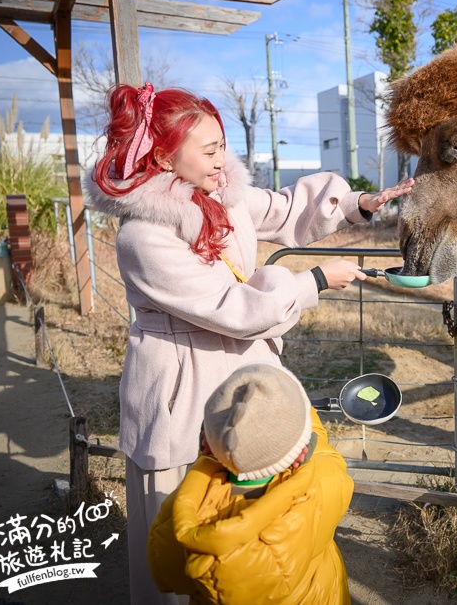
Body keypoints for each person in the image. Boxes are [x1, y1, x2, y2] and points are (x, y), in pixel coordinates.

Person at [83, 82, 411, 604]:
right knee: (181, 529)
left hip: (236, 384)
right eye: (209, 150)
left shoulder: (221, 194)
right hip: (182, 391)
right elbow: (232, 310)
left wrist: (356, 204)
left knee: (251, 531)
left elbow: (282, 210)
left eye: (222, 146)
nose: (221, 159)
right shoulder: (144, 237)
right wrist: (316, 282)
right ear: (164, 156)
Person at [147, 361, 354, 605]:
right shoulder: (321, 484)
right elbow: (327, 457)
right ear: (302, 453)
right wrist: (303, 410)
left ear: (206, 443)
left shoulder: (179, 512)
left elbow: (168, 573)